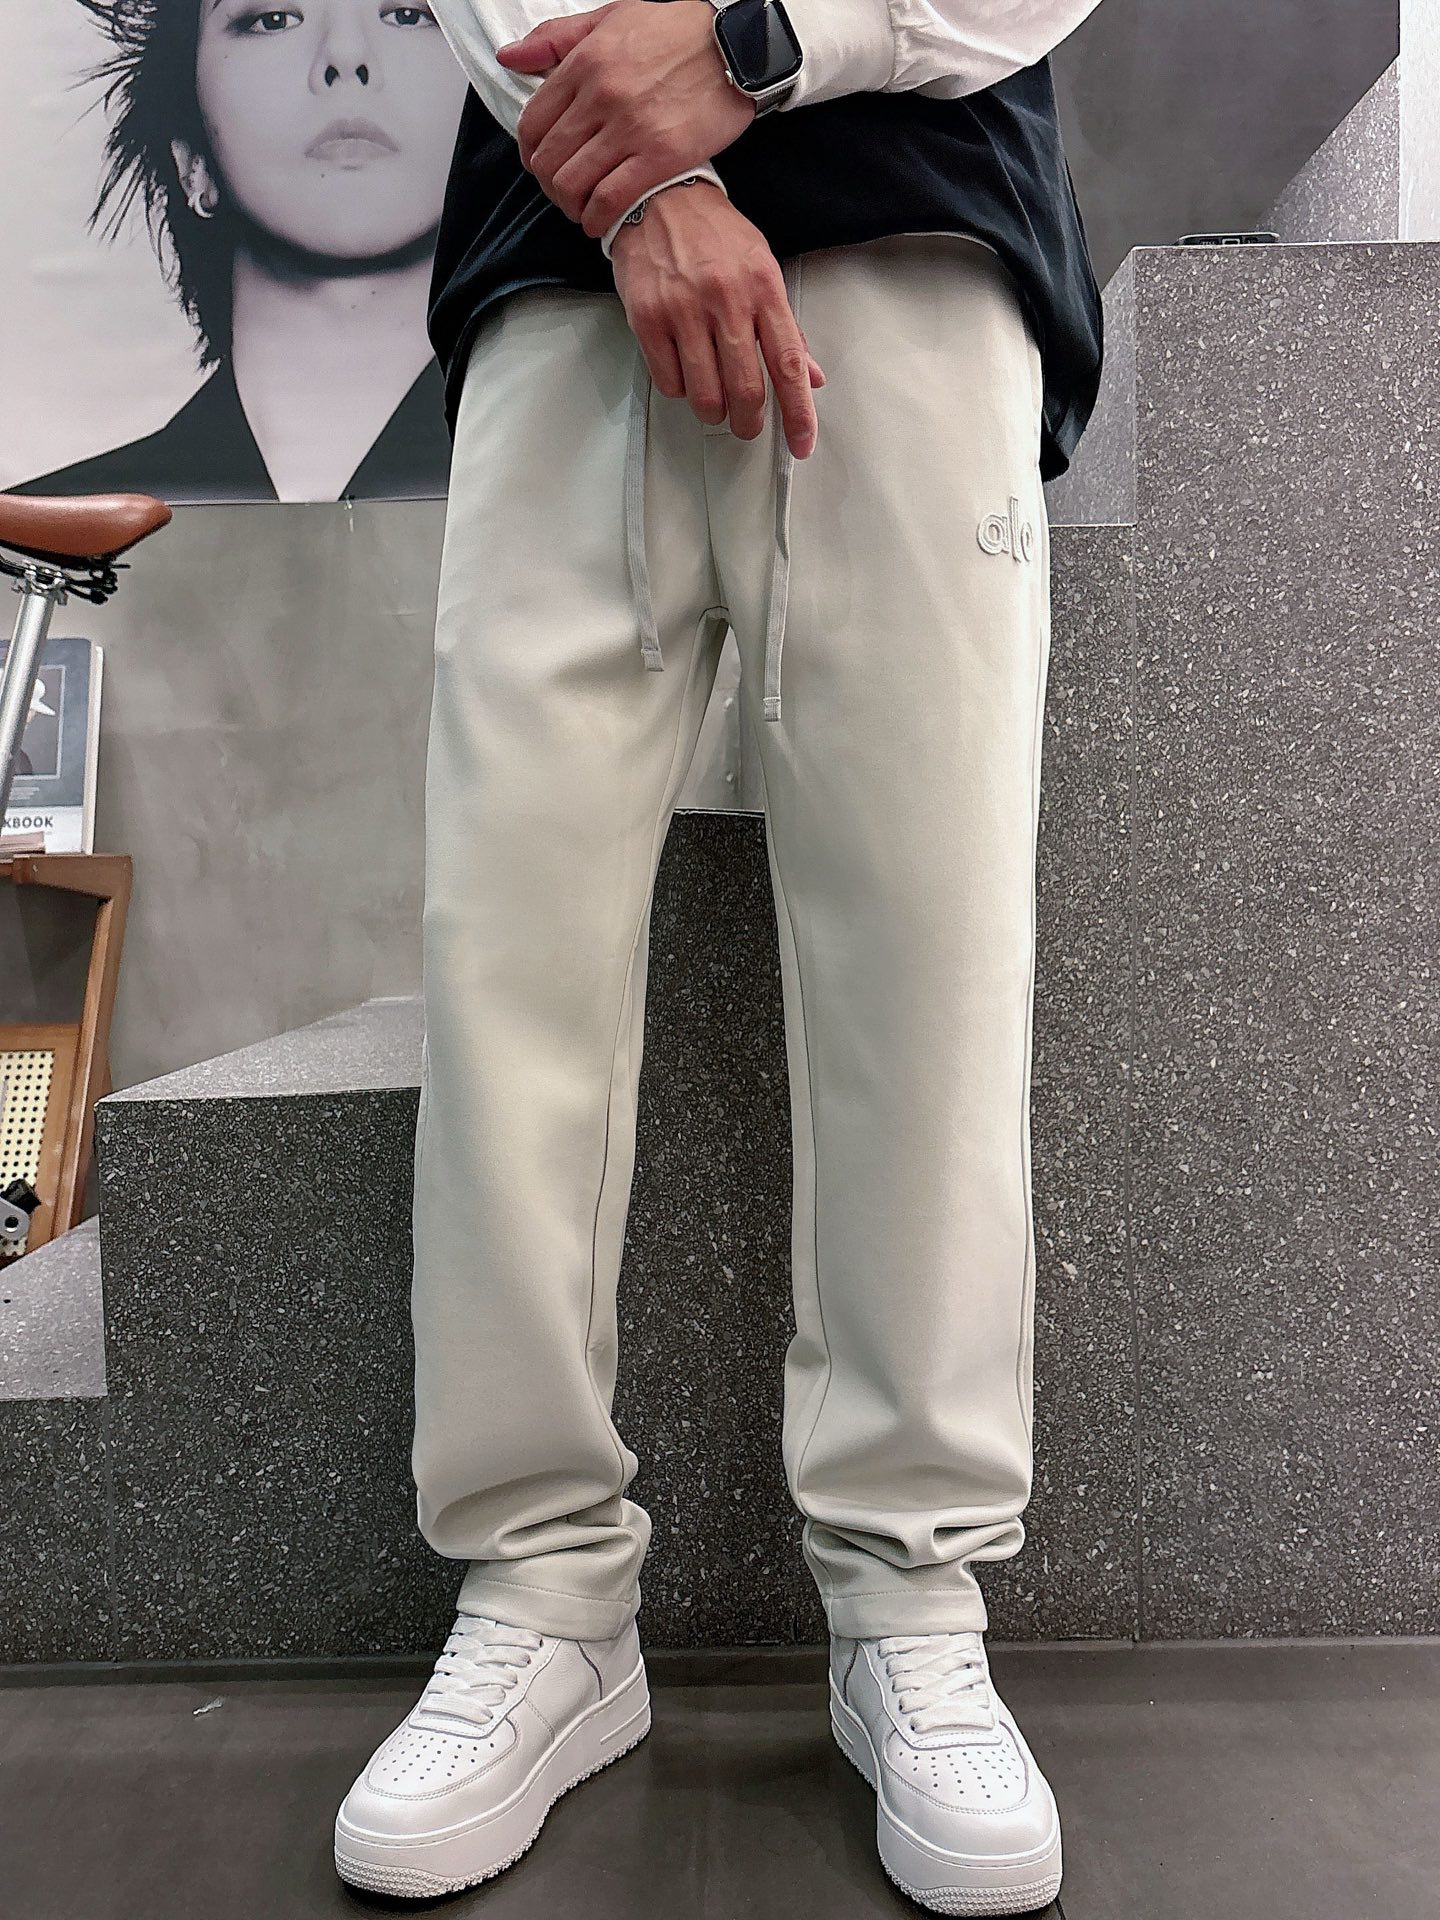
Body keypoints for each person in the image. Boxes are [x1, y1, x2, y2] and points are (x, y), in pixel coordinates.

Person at [333, 0, 1105, 1910]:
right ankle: (540, 1592)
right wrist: (639, 177)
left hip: (919, 219)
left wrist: (767, 42)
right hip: (560, 258)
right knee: (508, 964)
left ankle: (911, 1597)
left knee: (927, 973)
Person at [19, 0, 466, 503]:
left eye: (409, 14)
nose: (345, 54)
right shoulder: (33, 533)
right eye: (273, 20)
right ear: (191, 160)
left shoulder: (540, 505)